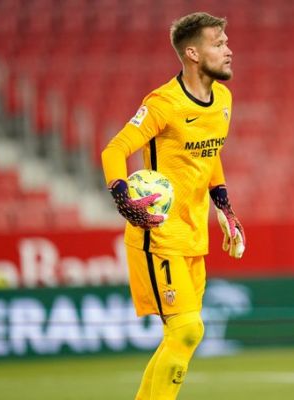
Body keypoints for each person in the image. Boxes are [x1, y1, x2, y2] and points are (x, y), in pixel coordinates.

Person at [101, 12, 245, 400]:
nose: (229, 49)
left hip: (194, 236)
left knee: (179, 336)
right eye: (219, 43)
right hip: (158, 233)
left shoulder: (224, 100)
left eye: (226, 41)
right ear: (193, 53)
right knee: (187, 330)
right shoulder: (163, 103)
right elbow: (114, 150)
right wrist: (123, 199)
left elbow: (209, 154)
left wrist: (224, 205)